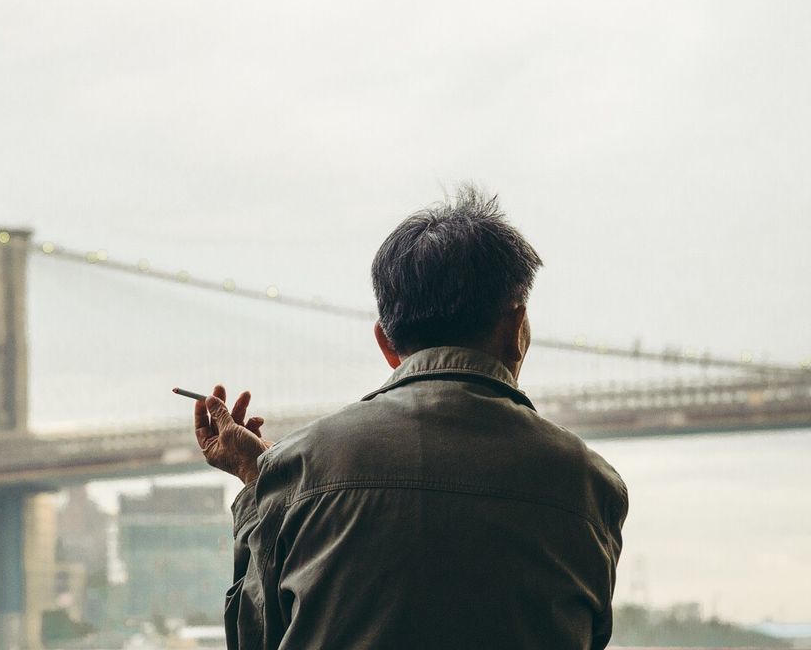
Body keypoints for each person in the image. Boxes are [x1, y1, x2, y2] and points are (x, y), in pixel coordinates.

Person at [193, 186, 628, 649]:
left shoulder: (298, 467)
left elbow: (253, 639)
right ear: (517, 330)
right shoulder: (590, 484)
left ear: (386, 343)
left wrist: (259, 481)